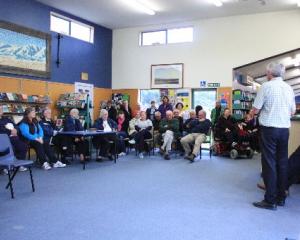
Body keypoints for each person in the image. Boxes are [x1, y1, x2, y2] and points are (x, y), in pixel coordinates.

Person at [252, 62, 296, 210]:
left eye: (266, 72)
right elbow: (292, 112)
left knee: (269, 163)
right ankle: (281, 197)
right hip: (284, 130)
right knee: (282, 163)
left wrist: (252, 113)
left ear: (270, 73)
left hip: (269, 129)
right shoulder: (289, 88)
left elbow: (256, 109)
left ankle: (270, 200)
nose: (266, 74)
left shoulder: (266, 86)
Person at [0, 105, 28, 172]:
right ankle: (6, 166)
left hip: (14, 137)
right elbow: (1, 130)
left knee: (23, 146)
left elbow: (16, 125)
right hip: (3, 140)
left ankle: (18, 164)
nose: (1, 110)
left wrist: (15, 129)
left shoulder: (6, 118)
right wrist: (10, 131)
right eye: (0, 109)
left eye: (1, 109)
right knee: (11, 148)